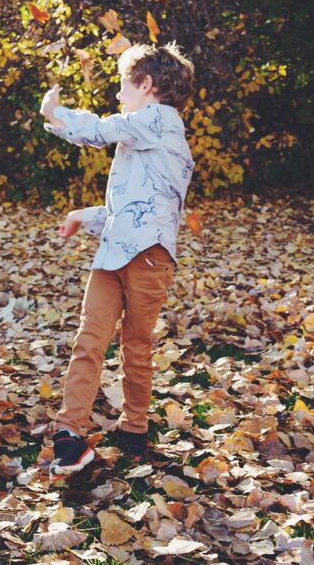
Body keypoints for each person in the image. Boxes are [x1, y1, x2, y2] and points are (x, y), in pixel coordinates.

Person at [39, 42, 196, 478]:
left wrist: (57, 113)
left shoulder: (161, 122)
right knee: (89, 339)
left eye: (123, 85)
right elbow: (129, 207)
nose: (118, 95)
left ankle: (134, 428)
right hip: (114, 252)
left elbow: (103, 129)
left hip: (149, 258)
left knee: (136, 344)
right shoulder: (140, 135)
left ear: (147, 86)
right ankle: (69, 434)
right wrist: (83, 216)